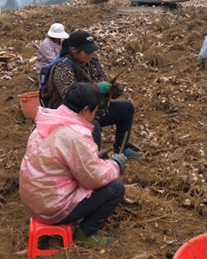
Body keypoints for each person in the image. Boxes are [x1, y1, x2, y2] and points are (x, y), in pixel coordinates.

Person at [20, 83, 127, 247]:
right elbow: (94, 178)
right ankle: (86, 233)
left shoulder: (49, 122)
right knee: (116, 188)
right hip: (51, 208)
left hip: (35, 199)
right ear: (85, 110)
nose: (95, 115)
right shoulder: (74, 136)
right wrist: (115, 165)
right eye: (94, 110)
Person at [42, 30, 142, 159]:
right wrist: (96, 89)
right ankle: (92, 160)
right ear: (73, 49)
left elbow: (103, 85)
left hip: (94, 108)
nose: (90, 54)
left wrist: (113, 90)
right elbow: (70, 97)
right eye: (87, 51)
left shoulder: (93, 64)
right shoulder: (62, 67)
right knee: (94, 126)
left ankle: (121, 149)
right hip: (73, 114)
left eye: (91, 50)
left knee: (127, 109)